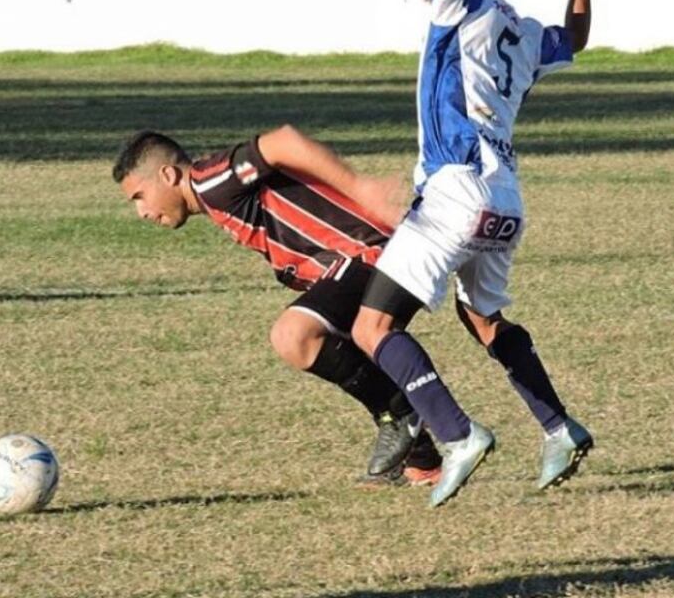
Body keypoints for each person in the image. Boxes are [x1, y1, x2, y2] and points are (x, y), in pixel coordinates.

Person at [342, 0, 595, 507]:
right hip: (504, 200)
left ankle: (458, 436)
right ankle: (559, 428)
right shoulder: (525, 33)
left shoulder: (460, 4)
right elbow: (575, 38)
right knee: (483, 318)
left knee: (371, 327)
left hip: (455, 191)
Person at [111, 127, 441, 487]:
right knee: (338, 346)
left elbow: (284, 142)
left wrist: (361, 187)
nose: (142, 211)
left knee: (294, 335)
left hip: (371, 252)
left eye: (140, 196)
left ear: (168, 175)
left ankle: (400, 413)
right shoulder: (214, 198)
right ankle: (421, 459)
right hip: (369, 258)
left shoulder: (210, 181)